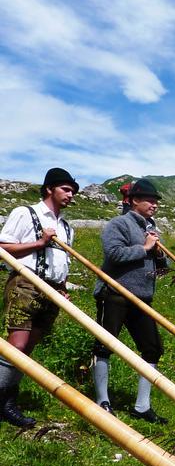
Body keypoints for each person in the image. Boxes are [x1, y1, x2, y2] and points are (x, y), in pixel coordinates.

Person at [0, 167, 78, 428]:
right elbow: (3, 247)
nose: (70, 194)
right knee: (17, 347)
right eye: (65, 189)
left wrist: (63, 286)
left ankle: (8, 400)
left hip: (52, 290)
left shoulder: (66, 226)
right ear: (49, 188)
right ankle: (4, 401)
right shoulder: (26, 213)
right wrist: (39, 243)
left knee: (29, 348)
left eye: (72, 190)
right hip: (26, 284)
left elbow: (61, 261)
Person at [92, 178, 168, 423]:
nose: (155, 205)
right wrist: (145, 248)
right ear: (135, 200)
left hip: (143, 298)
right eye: (150, 200)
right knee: (105, 344)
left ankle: (142, 406)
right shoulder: (119, 224)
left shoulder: (151, 229)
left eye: (156, 201)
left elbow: (162, 268)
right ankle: (102, 400)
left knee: (153, 348)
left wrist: (159, 255)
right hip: (114, 293)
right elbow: (113, 253)